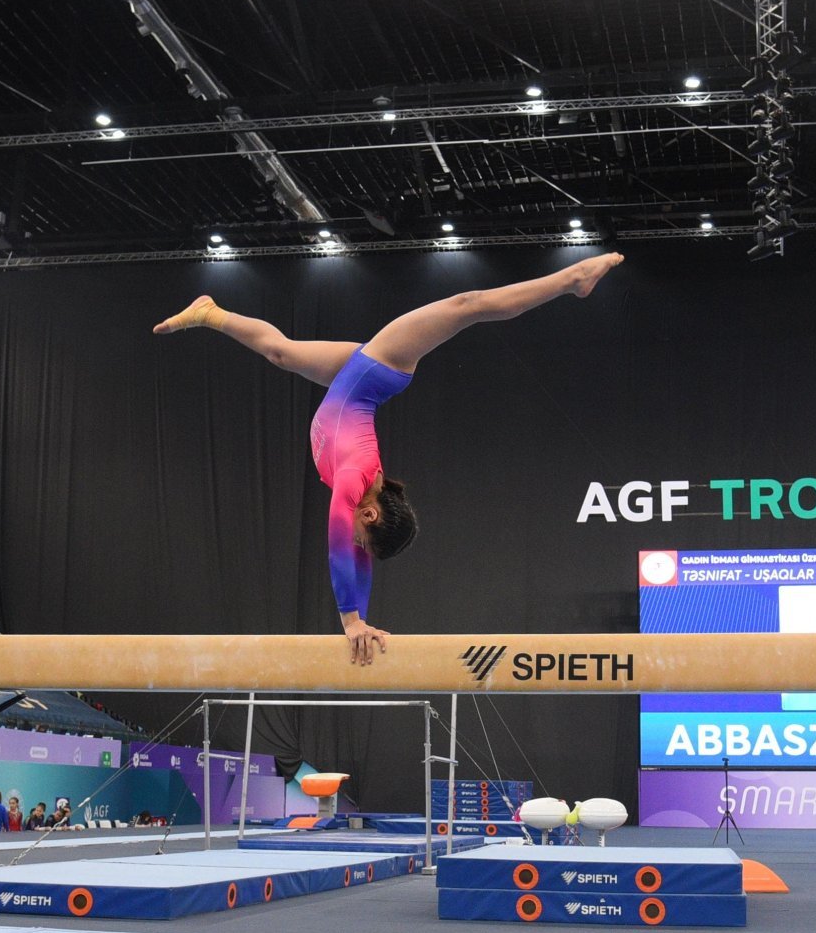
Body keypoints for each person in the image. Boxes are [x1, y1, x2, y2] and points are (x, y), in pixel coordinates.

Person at [155, 253, 624, 664]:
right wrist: (349, 620)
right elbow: (341, 543)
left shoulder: (359, 497)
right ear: (372, 512)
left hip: (352, 379)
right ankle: (573, 278)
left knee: (280, 353)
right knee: (468, 306)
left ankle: (209, 313)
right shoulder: (354, 481)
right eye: (365, 537)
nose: (358, 544)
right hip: (383, 367)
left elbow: (357, 553)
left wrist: (363, 617)